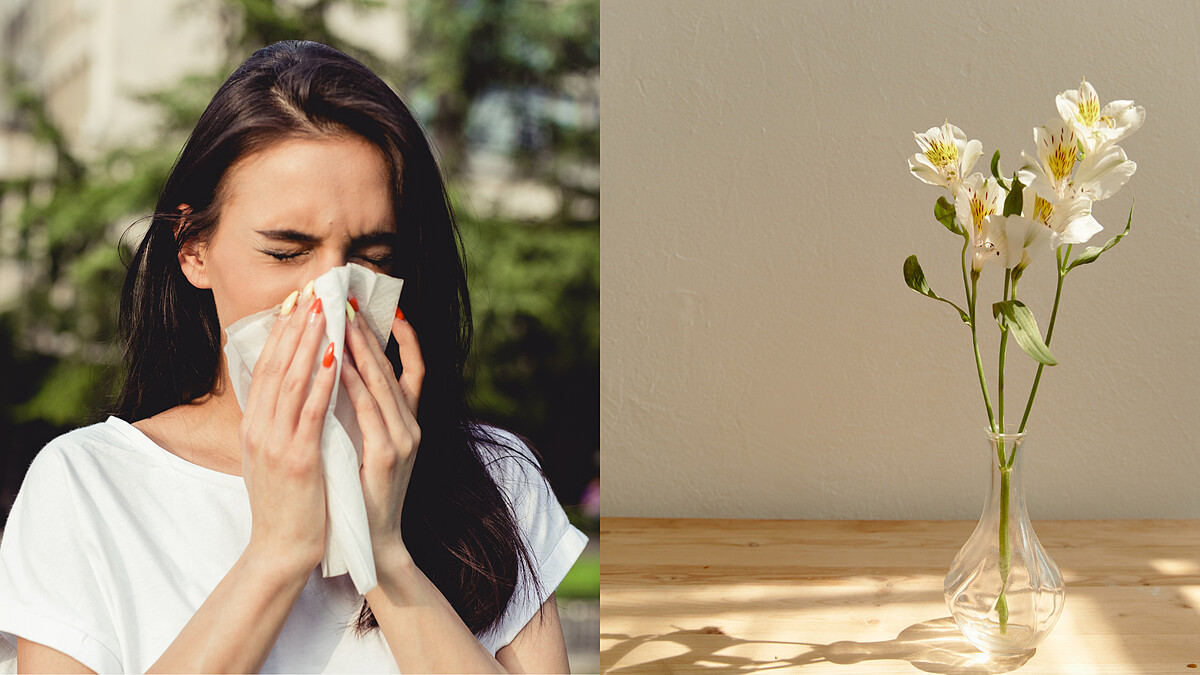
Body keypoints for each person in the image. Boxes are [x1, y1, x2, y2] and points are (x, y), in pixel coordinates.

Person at [0, 40, 587, 673]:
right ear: (193, 249)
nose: (331, 298)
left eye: (372, 259)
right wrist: (276, 554)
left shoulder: (493, 479)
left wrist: (382, 552)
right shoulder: (88, 486)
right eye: (286, 253)